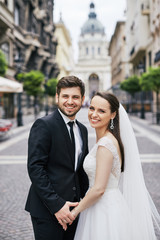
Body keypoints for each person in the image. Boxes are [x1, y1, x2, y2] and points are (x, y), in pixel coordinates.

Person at [65, 92, 160, 240]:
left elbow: (99, 189)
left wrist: (74, 213)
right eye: (92, 108)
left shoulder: (105, 144)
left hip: (102, 210)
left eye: (101, 111)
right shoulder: (109, 139)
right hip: (105, 204)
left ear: (113, 115)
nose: (94, 114)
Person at [25, 76, 89, 240]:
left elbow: (79, 170)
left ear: (82, 99)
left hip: (74, 211)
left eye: (75, 97)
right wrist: (57, 206)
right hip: (47, 211)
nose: (70, 101)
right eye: (65, 96)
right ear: (57, 97)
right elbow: (35, 168)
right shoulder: (44, 125)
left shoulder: (82, 130)